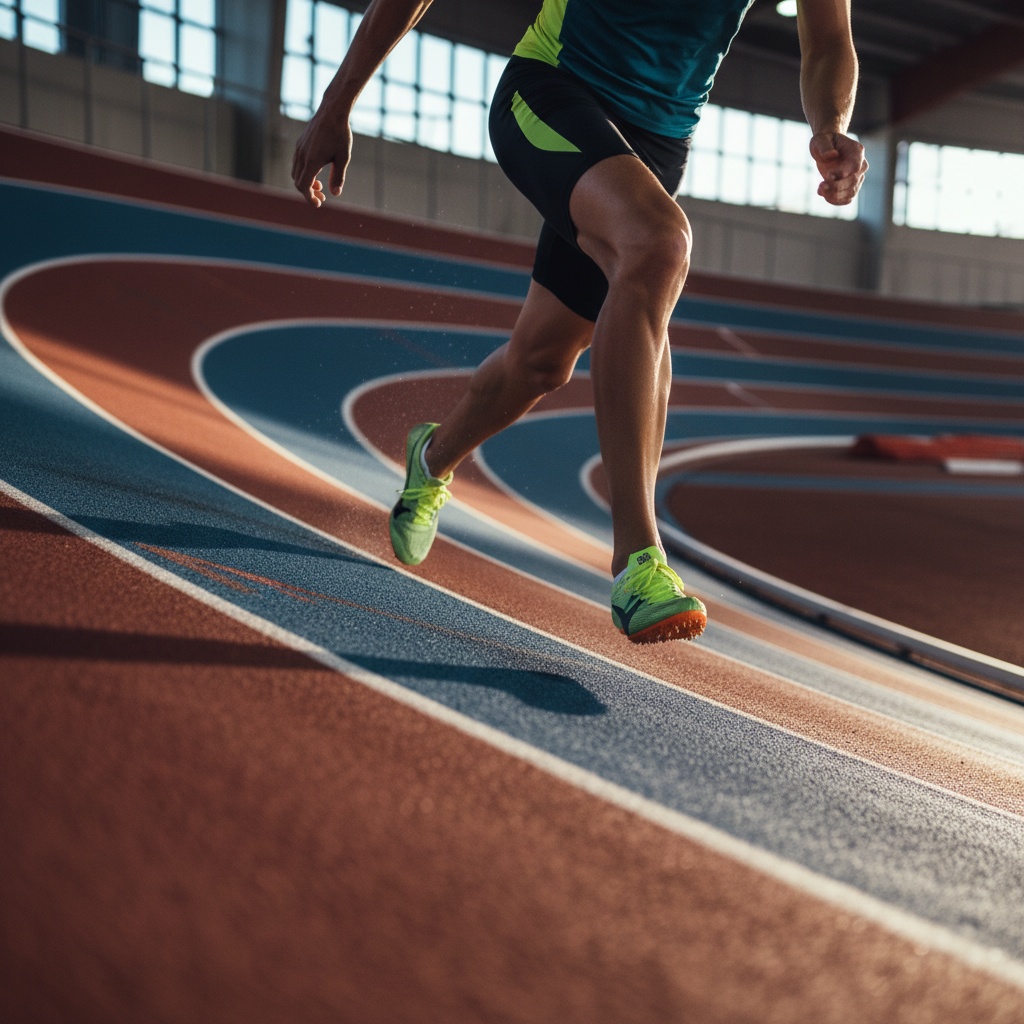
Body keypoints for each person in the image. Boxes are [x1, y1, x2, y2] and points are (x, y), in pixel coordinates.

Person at [291, 0, 868, 645]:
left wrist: (829, 125)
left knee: (541, 362)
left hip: (656, 144)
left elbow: (828, 39)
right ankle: (637, 562)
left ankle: (432, 456)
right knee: (657, 246)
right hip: (550, 91)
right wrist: (336, 103)